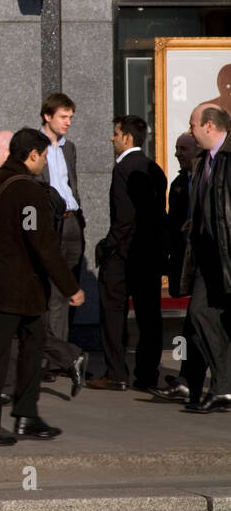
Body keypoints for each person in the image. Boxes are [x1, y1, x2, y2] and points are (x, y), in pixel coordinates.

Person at [0, 129, 86, 446]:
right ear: (31, 154)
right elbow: (41, 243)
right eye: (44, 156)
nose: (45, 162)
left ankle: (27, 414)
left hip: (1, 286)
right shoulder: (28, 192)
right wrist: (70, 286)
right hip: (16, 288)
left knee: (33, 345)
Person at [91, 116, 167, 391]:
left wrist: (107, 246)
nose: (112, 138)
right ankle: (147, 374)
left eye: (115, 133)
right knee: (149, 315)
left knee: (112, 310)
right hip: (149, 254)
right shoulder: (155, 169)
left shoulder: (124, 168)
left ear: (127, 138)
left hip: (123, 254)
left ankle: (116, 373)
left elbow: (124, 217)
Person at [175, 102, 231, 413]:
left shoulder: (228, 157)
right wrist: (197, 221)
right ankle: (223, 387)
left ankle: (223, 388)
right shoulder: (205, 161)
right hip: (208, 255)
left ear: (209, 126)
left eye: (194, 125)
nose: (191, 130)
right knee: (200, 313)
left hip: (227, 255)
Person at [35, 93, 89, 385]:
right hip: (50, 225)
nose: (68, 122)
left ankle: (63, 356)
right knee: (52, 292)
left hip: (72, 223)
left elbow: (72, 185)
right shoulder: (35, 146)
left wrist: (80, 220)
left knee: (68, 289)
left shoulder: (70, 149)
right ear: (48, 116)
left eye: (70, 117)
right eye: (63, 117)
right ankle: (56, 358)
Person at [152, 133, 204, 403]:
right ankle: (185, 378)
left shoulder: (211, 178)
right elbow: (172, 226)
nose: (177, 154)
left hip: (208, 265)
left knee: (198, 322)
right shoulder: (180, 183)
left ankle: (193, 380)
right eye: (175, 148)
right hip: (188, 264)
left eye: (183, 148)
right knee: (191, 324)